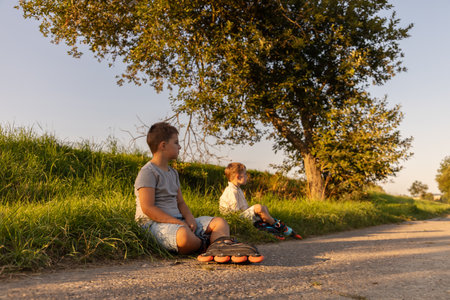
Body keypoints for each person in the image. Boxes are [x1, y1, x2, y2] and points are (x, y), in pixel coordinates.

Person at [135, 122, 233, 254]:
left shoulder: (173, 173)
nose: (180, 146)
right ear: (163, 145)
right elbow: (148, 208)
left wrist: (190, 218)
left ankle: (219, 247)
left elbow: (180, 202)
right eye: (176, 143)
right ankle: (209, 243)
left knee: (220, 222)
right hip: (153, 224)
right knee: (184, 237)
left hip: (178, 222)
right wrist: (178, 223)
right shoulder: (148, 172)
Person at [219, 162, 297, 238]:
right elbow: (234, 214)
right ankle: (277, 225)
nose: (247, 176)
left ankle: (266, 225)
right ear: (238, 177)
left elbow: (243, 208)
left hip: (240, 216)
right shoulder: (231, 191)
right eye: (245, 174)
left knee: (264, 207)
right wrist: (254, 212)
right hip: (235, 220)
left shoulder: (237, 189)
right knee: (258, 207)